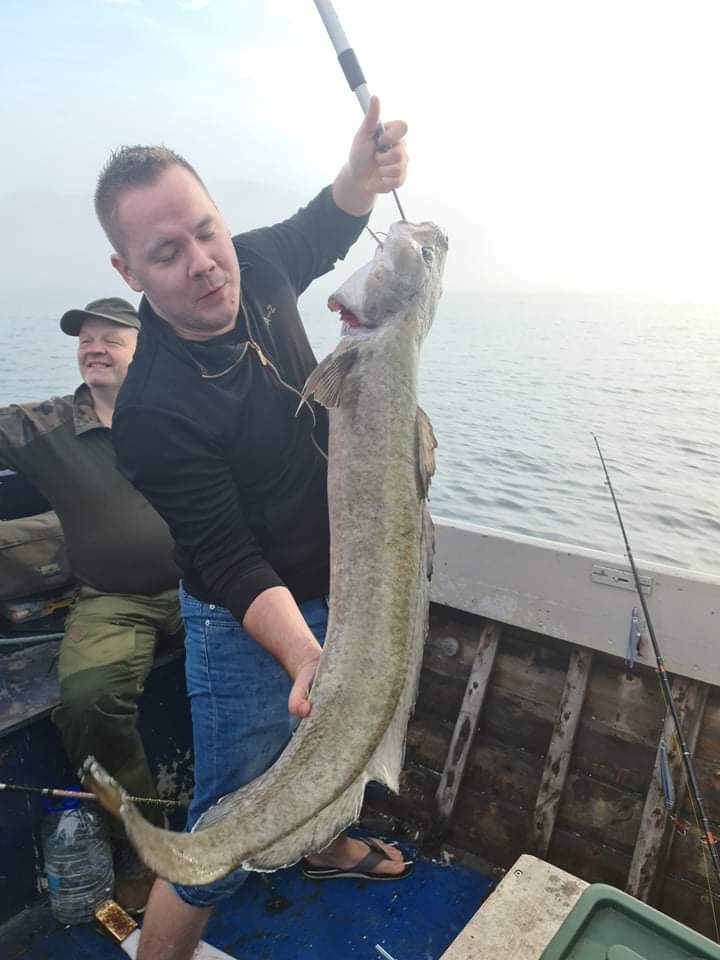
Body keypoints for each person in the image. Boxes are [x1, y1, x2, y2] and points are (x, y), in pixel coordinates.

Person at [95, 96, 410, 960]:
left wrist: (362, 172)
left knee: (331, 762)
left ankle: (324, 846)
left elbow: (326, 224)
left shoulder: (256, 262)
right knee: (221, 834)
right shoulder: (153, 411)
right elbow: (228, 558)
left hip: (342, 582)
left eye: (207, 231)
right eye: (167, 253)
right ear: (129, 271)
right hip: (241, 619)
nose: (205, 265)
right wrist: (303, 655)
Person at [0, 297, 182, 912]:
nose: (94, 348)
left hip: (209, 587)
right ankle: (147, 846)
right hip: (114, 598)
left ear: (145, 350)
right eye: (86, 340)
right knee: (87, 700)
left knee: (286, 666)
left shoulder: (183, 413)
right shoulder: (46, 425)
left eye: (112, 338)